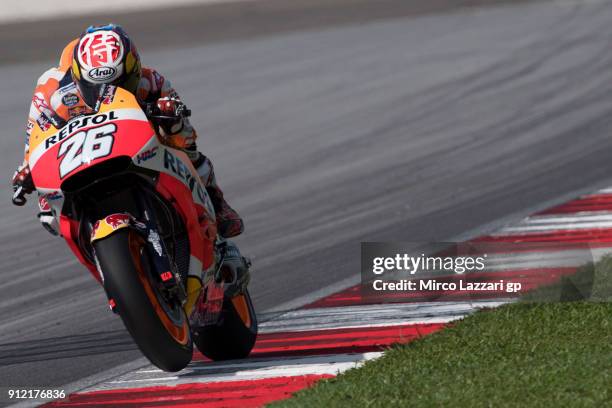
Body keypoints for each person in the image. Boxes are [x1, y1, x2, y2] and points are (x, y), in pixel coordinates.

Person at [11, 24, 244, 240]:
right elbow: (34, 138)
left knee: (184, 144)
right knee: (49, 215)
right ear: (78, 76)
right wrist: (26, 169)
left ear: (133, 70)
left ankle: (217, 202)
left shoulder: (151, 81)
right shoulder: (52, 92)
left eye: (118, 82)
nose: (107, 91)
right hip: (79, 155)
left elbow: (185, 133)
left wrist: (171, 113)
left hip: (137, 145)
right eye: (94, 86)